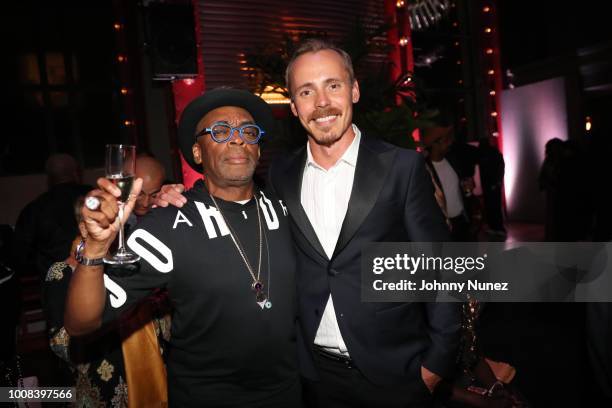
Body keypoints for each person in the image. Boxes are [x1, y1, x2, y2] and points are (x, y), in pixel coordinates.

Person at [156, 40, 461, 408]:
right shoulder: (281, 175)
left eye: (332, 85)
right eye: (306, 91)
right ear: (294, 106)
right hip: (311, 377)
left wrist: (438, 361)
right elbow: (232, 202)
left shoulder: (401, 167)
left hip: (396, 374)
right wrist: (168, 195)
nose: (321, 103)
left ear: (354, 90)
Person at [64, 88, 300, 407]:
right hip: (206, 398)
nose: (237, 138)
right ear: (197, 153)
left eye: (248, 131)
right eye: (219, 131)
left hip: (287, 393)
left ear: (258, 148)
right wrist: (94, 248)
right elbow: (81, 323)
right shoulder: (168, 225)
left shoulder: (287, 207)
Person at [44, 197, 170, 407]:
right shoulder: (62, 272)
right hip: (101, 389)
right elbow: (60, 343)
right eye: (105, 220)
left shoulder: (128, 263)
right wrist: (106, 319)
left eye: (116, 219)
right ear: (84, 228)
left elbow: (163, 328)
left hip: (152, 377)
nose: (114, 226)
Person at [13, 153, 91, 280]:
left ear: (49, 178)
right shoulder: (94, 197)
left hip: (55, 282)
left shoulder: (34, 209)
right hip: (98, 276)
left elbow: (19, 254)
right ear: (76, 173)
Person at [421, 126, 476, 242]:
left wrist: (469, 188)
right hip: (442, 228)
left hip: (462, 221)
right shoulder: (424, 169)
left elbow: (465, 186)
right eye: (446, 139)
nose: (450, 142)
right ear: (435, 144)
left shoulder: (453, 160)